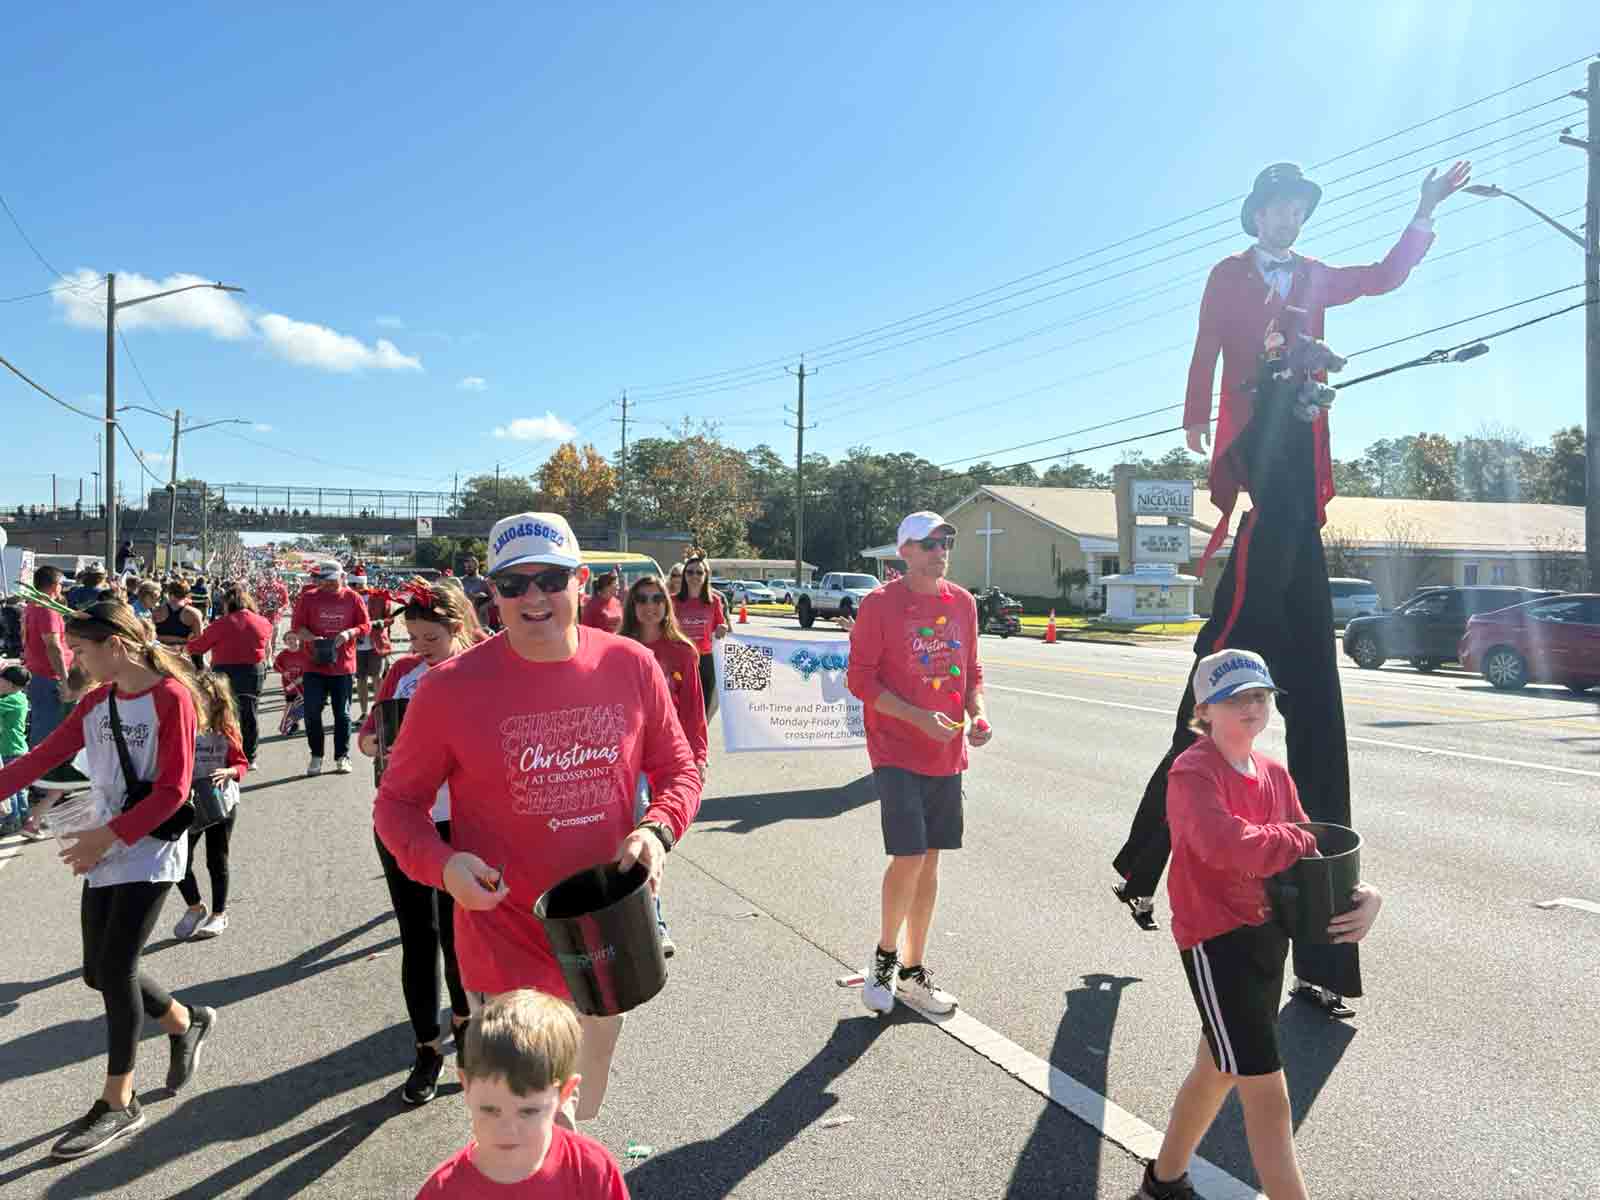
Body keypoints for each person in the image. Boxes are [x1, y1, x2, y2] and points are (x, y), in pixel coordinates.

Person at [1112, 159, 1470, 1019]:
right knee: (1196, 724)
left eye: (1299, 209)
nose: (1288, 219)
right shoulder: (1228, 277)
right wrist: (1196, 410)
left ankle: (1323, 957)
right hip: (1260, 495)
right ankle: (1141, 864)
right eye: (1276, 206)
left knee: (1320, 723)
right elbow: (1206, 347)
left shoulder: (1313, 278)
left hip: (1297, 509)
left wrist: (1423, 211)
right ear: (1256, 213)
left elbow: (1382, 277)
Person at [375, 512, 701, 1127]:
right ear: (490, 593)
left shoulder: (631, 665)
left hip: (607, 936)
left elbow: (679, 769)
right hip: (504, 937)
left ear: (581, 580)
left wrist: (657, 830)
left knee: (578, 1112)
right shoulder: (448, 688)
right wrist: (443, 867)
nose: (534, 597)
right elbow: (395, 805)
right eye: (513, 584)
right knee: (528, 1124)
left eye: (549, 579)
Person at [1135, 650, 1383, 1200]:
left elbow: (1313, 856)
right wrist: (1296, 839)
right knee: (1268, 1093)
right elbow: (1228, 846)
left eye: (1260, 695)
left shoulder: (1273, 773)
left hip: (1267, 938)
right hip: (1215, 942)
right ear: (1205, 708)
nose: (1251, 706)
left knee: (1218, 1069)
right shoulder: (1193, 771)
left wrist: (1366, 894)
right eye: (1236, 696)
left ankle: (1164, 1179)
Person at [0, 599, 218, 1161]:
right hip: (107, 842)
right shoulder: (98, 700)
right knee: (98, 971)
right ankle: (185, 1020)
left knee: (117, 968)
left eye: (82, 648)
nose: (75, 658)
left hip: (149, 847)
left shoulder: (171, 697)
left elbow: (173, 789)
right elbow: (45, 755)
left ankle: (120, 1100)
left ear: (115, 646)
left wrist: (108, 837)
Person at [846, 511, 991, 1016]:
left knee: (930, 860)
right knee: (908, 855)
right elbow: (860, 681)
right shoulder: (880, 604)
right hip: (895, 749)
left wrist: (978, 713)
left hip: (947, 752)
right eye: (929, 543)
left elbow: (971, 670)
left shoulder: (964, 603)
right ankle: (885, 960)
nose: (939, 550)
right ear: (904, 550)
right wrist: (915, 717)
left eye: (946, 541)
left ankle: (912, 970)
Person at [357, 579, 474, 1105]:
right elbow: (368, 732)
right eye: (413, 637)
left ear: (456, 629)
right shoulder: (403, 673)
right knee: (418, 936)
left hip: (465, 824)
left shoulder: (477, 671)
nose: (419, 649)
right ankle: (428, 1047)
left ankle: (469, 1031)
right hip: (405, 823)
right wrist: (370, 741)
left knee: (460, 936)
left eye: (430, 638)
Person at [416, 990, 628, 1199]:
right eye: (490, 1110)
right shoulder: (442, 1192)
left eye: (528, 1111)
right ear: (467, 1086)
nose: (507, 1130)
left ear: (565, 1093)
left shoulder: (593, 1171)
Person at [620, 573, 708, 957]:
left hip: (669, 758)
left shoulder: (683, 651)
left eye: (657, 597)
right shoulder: (618, 649)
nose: (650, 605)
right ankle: (649, 920)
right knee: (638, 829)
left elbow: (693, 711)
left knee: (653, 836)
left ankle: (648, 917)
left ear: (666, 604)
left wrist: (698, 757)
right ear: (632, 606)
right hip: (628, 758)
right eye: (642, 598)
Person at [173, 672, 248, 941]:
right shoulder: (183, 722)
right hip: (188, 801)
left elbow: (242, 764)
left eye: (205, 695)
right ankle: (194, 906)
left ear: (217, 699)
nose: (200, 699)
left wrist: (230, 771)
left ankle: (218, 914)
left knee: (216, 859)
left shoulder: (227, 727)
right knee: (179, 860)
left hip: (220, 802)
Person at [289, 561, 370, 776]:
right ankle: (317, 756)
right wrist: (312, 638)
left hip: (342, 666)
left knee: (342, 714)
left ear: (342, 577)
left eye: (332, 581)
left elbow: (365, 625)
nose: (327, 585)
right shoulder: (308, 597)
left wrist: (348, 633)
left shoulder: (353, 597)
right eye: (323, 580)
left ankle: (342, 756)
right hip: (313, 664)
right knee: (312, 712)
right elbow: (297, 626)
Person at [186, 585, 272, 767]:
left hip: (224, 672)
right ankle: (250, 755)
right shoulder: (263, 622)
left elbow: (197, 647)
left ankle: (225, 753)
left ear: (228, 604)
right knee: (250, 714)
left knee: (222, 714)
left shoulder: (222, 624)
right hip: (253, 671)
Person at [672, 554, 728, 718]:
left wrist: (722, 628)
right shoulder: (673, 601)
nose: (694, 576)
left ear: (706, 575)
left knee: (703, 708)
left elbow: (720, 626)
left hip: (705, 660)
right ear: (684, 576)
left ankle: (698, 742)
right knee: (680, 707)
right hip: (680, 661)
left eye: (699, 572)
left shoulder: (715, 601)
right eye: (690, 572)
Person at [350, 575, 393, 720]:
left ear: (361, 584)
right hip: (357, 646)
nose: (350, 587)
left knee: (377, 678)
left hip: (376, 644)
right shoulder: (348, 599)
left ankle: (378, 712)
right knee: (361, 679)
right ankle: (363, 713)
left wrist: (380, 623)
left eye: (353, 584)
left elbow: (390, 619)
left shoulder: (379, 597)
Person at [0, 664, 30, 835]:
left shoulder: (12, 699)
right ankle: (23, 817)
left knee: (8, 787)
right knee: (18, 788)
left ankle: (11, 820)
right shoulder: (19, 697)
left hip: (9, 749)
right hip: (16, 748)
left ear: (11, 685)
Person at [152, 580, 206, 671]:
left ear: (169, 593)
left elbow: (150, 637)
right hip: (183, 658)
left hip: (161, 656)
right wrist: (183, 640)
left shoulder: (156, 612)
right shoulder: (194, 613)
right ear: (186, 594)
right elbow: (199, 641)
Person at [257, 573, 290, 659]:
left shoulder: (281, 588)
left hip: (276, 617)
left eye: (271, 577)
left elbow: (286, 602)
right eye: (267, 577)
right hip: (264, 617)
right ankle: (266, 659)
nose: (269, 579)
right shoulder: (261, 588)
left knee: (273, 640)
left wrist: (281, 609)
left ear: (275, 577)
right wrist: (260, 606)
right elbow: (256, 601)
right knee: (266, 639)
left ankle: (271, 657)